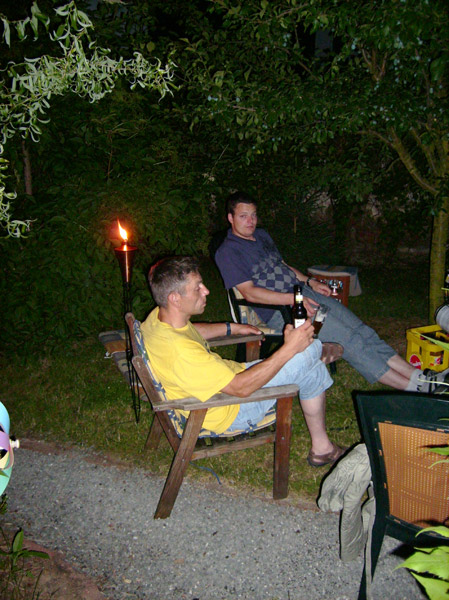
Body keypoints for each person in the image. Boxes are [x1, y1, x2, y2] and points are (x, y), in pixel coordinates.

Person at [214, 191, 449, 394]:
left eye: (253, 215)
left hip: (304, 294)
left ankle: (419, 376)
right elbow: (251, 293)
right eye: (243, 216)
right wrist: (295, 299)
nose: (251, 221)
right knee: (347, 340)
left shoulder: (262, 236)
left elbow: (283, 266)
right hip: (283, 312)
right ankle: (412, 387)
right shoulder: (228, 252)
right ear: (230, 218)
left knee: (361, 330)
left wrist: (311, 281)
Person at [141, 256, 345, 467]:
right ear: (175, 298)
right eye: (197, 288)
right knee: (306, 352)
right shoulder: (181, 352)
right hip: (231, 409)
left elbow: (190, 331)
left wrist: (232, 327)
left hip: (228, 381)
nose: (206, 291)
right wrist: (290, 348)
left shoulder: (159, 320)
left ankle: (322, 449)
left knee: (310, 366)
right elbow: (241, 388)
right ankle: (313, 351)